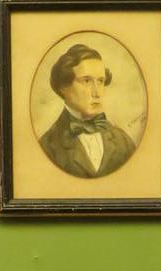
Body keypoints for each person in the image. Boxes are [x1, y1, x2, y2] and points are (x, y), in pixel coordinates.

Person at [38, 43, 138, 179]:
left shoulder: (123, 142)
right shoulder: (47, 147)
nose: (97, 93)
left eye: (101, 81)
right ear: (63, 86)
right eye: (86, 81)